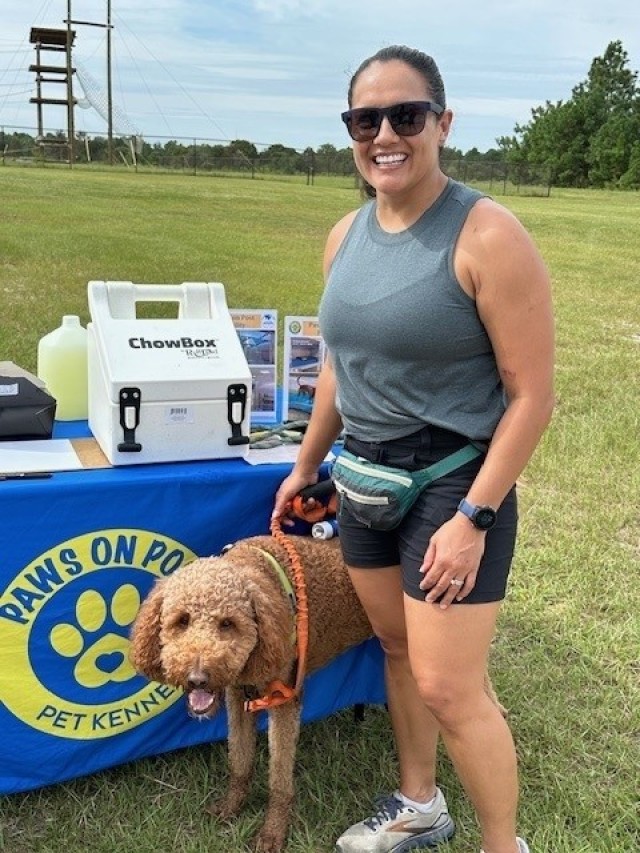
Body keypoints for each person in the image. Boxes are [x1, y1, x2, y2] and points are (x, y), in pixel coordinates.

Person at [272, 44, 554, 853]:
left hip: (452, 479)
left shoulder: (487, 232)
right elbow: (338, 367)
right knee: (396, 646)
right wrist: (303, 465)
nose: (385, 134)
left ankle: (505, 845)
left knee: (450, 685)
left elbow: (531, 395)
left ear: (442, 122)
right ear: (351, 131)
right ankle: (421, 804)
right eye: (367, 119)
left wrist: (473, 515)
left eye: (406, 115)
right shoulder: (344, 234)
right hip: (360, 473)